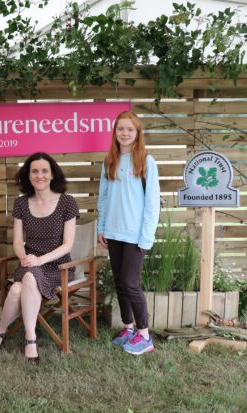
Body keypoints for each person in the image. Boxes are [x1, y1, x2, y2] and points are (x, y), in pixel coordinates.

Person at [0, 152, 79, 365]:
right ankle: (30, 339)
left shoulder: (67, 202)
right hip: (29, 262)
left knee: (20, 286)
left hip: (58, 266)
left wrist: (40, 260)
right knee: (25, 280)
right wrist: (26, 258)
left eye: (44, 171)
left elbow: (67, 245)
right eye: (34, 171)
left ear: (53, 174)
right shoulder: (21, 203)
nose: (40, 175)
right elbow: (18, 242)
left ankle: (2, 331)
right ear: (28, 176)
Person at [97, 110, 160, 356]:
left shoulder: (146, 160)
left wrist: (147, 237)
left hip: (135, 235)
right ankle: (129, 328)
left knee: (131, 283)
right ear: (115, 132)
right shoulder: (109, 161)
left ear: (137, 133)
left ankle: (145, 336)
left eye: (129, 129)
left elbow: (152, 202)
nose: (124, 133)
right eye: (120, 129)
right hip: (113, 232)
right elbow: (103, 197)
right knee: (120, 283)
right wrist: (102, 227)